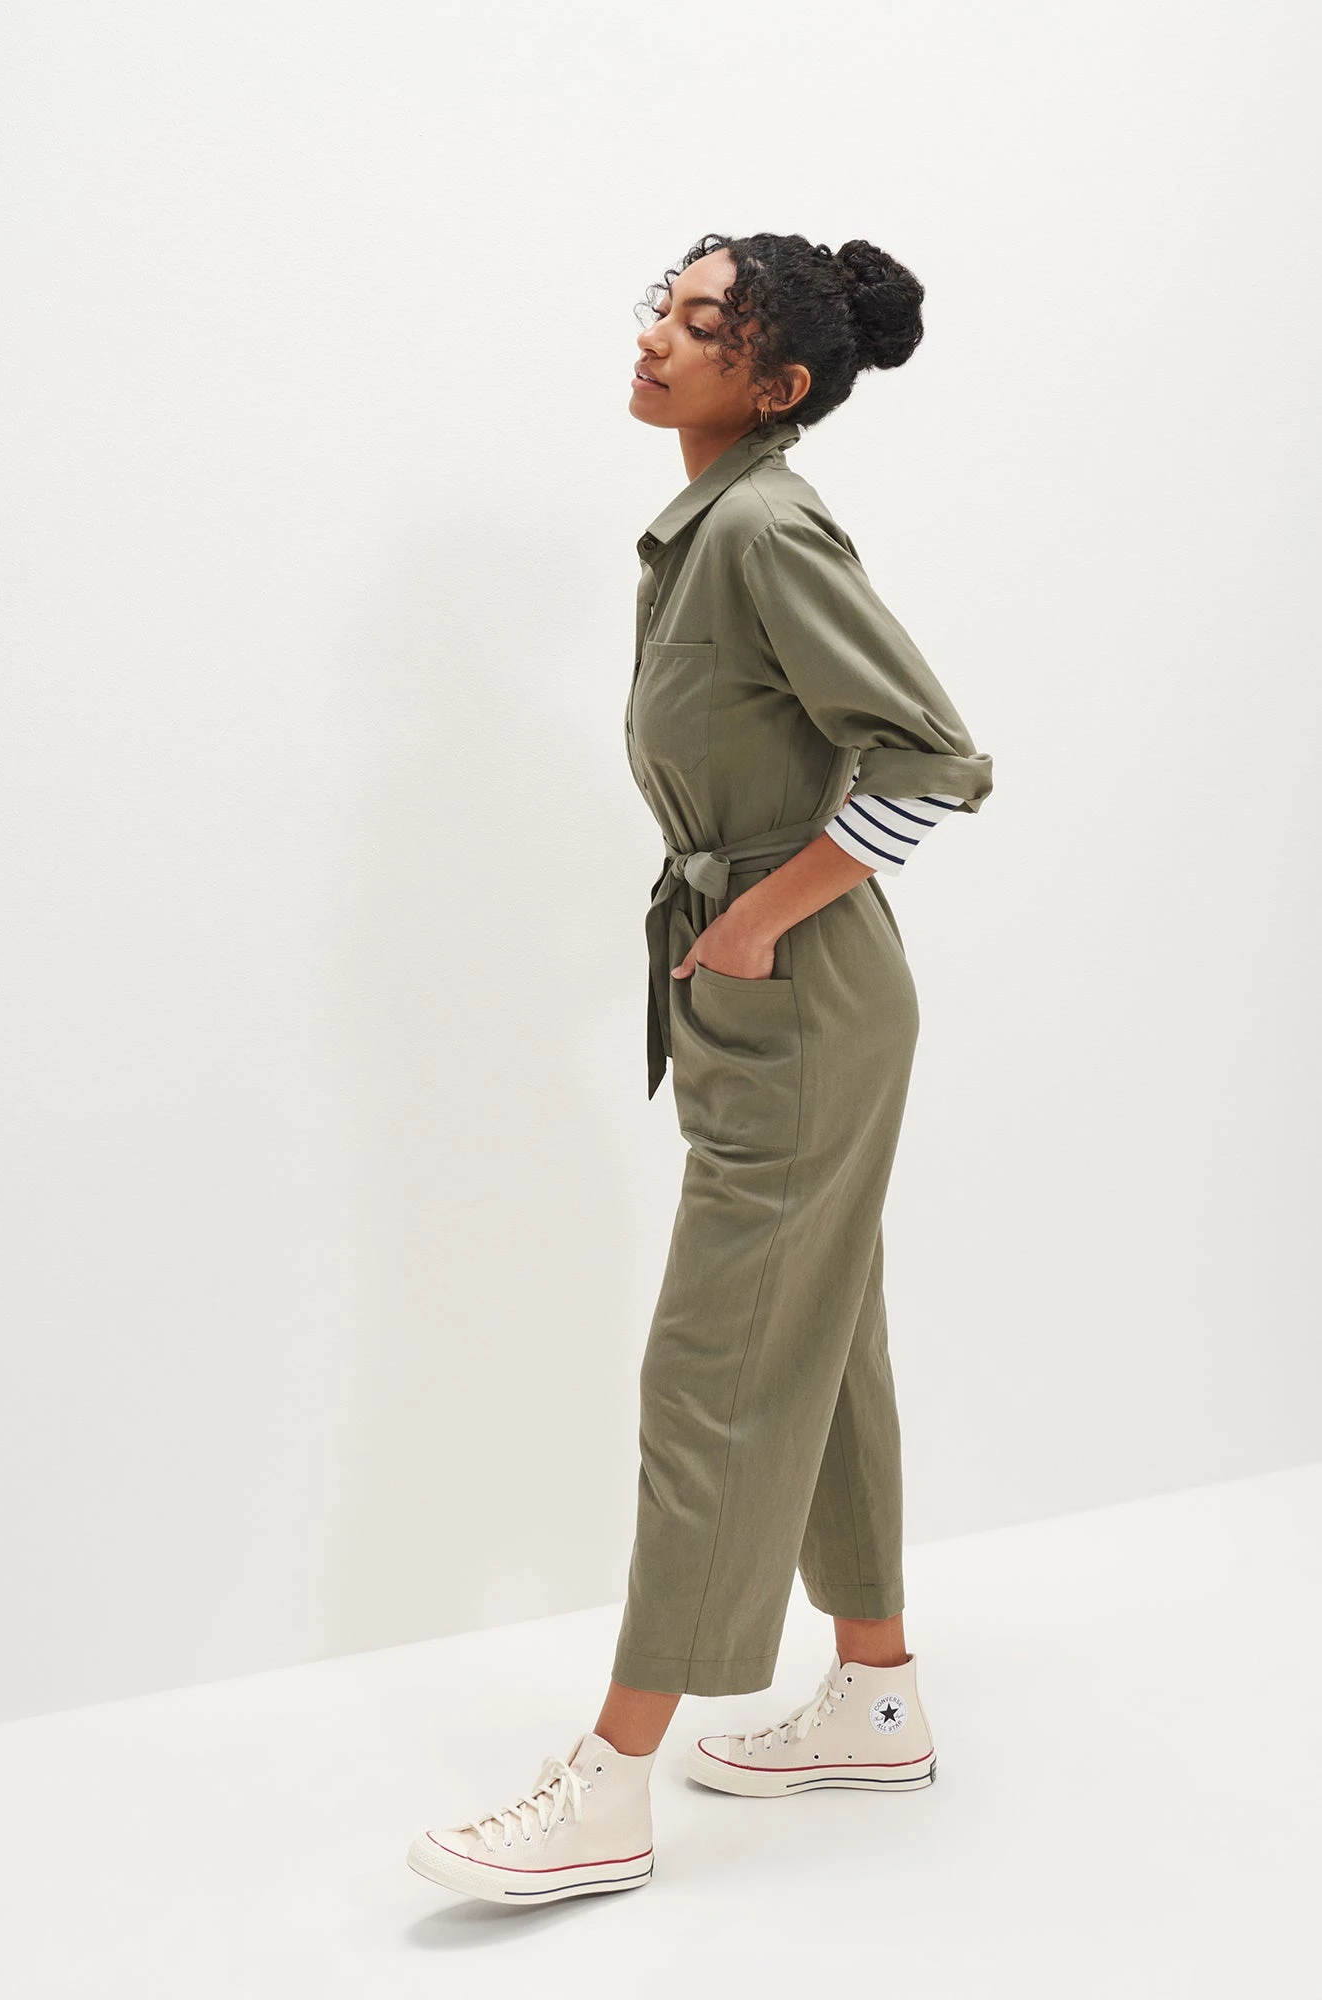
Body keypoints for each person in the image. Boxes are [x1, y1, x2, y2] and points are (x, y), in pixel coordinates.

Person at [407, 230, 993, 1906]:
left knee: (712, 1373)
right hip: (782, 992)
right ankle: (874, 1691)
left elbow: (933, 762)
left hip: (797, 990)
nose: (658, 337)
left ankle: (610, 1782)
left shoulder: (762, 528)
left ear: (776, 381)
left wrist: (751, 925)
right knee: (817, 1334)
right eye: (660, 306)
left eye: (701, 322)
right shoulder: (705, 530)